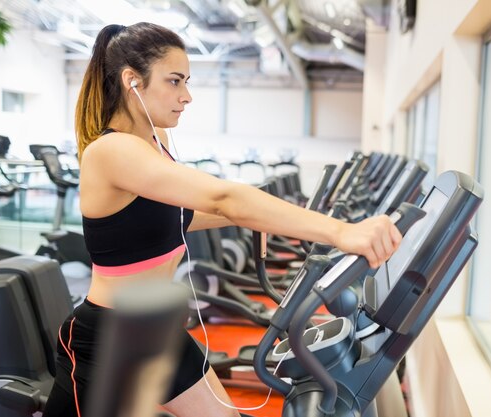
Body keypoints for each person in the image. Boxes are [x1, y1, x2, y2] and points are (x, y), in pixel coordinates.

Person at [42, 22, 402, 417]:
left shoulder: (153, 146)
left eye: (187, 82)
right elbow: (223, 196)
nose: (187, 96)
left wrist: (257, 218)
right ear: (133, 81)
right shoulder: (111, 151)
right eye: (175, 81)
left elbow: (179, 216)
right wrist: (341, 232)